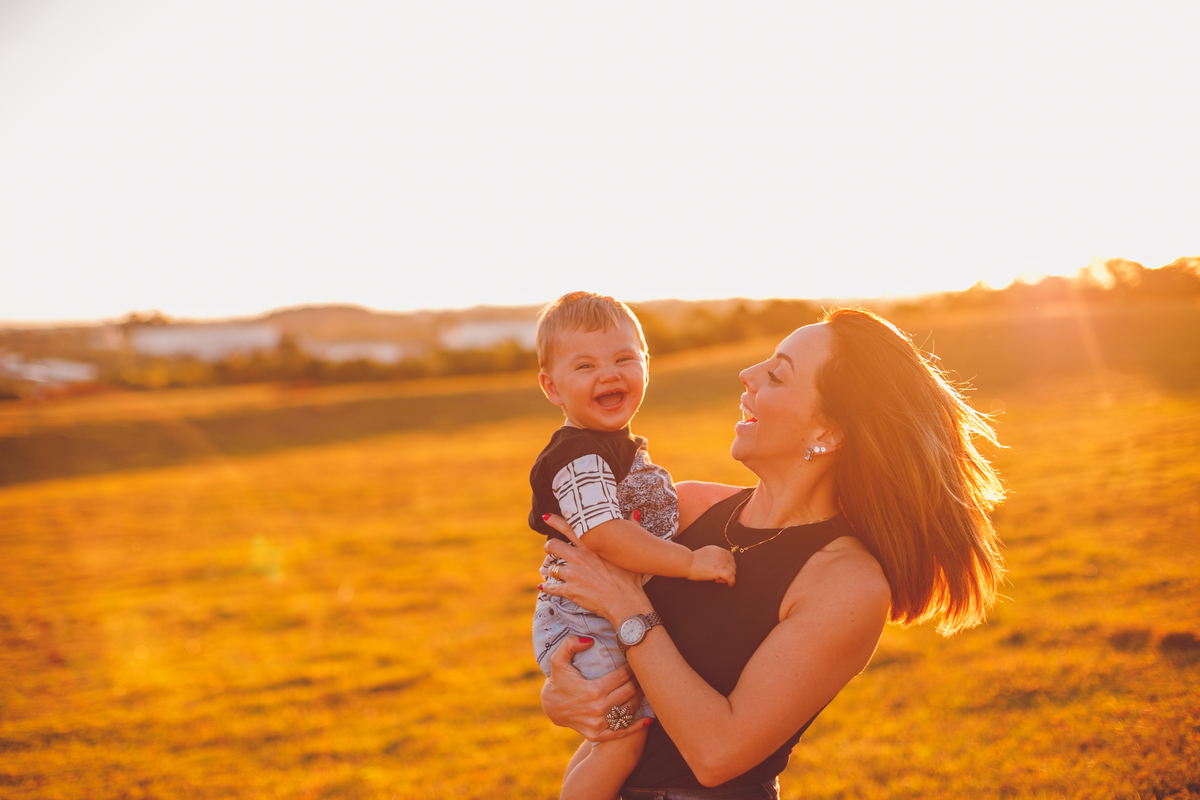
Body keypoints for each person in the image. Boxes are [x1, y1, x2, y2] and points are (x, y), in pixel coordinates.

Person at [538, 307, 1005, 799]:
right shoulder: (686, 508)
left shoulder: (847, 583)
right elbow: (583, 637)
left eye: (777, 375)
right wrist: (564, 697)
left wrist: (628, 607)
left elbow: (717, 755)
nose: (749, 375)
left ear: (827, 434)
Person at [529, 291, 738, 800]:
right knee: (621, 740)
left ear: (647, 365)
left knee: (612, 737)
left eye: (625, 358)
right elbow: (604, 534)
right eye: (585, 365)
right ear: (552, 388)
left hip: (601, 613)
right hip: (585, 622)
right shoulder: (577, 454)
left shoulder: (614, 446)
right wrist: (688, 563)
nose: (609, 374)